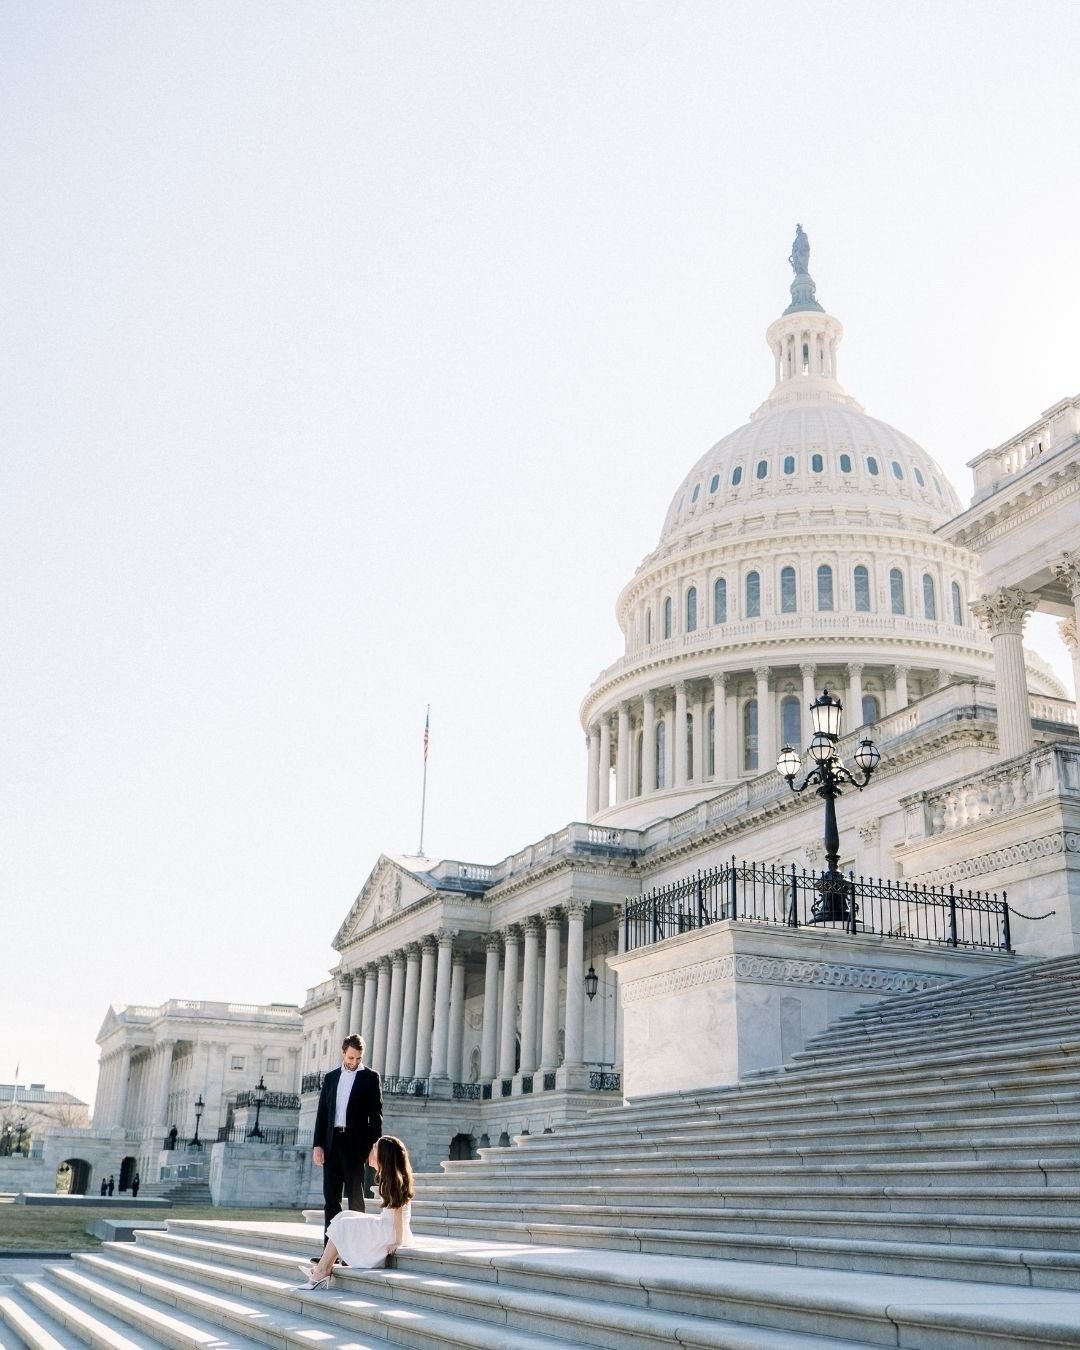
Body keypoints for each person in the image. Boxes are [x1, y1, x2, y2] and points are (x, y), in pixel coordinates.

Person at [297, 1135, 414, 1288]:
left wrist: (398, 1241)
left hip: (390, 1232)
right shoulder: (391, 1175)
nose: (372, 1150)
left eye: (375, 1148)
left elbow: (398, 1212)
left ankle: (321, 1271)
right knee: (343, 1216)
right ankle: (324, 1268)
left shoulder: (394, 1180)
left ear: (384, 1155)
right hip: (387, 1226)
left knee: (345, 1224)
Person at [311, 1033, 383, 1240]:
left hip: (355, 1146)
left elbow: (375, 1117)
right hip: (332, 1143)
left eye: (358, 1058)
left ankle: (355, 1249)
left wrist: (374, 1148)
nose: (354, 1062)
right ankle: (329, 1252)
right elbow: (322, 1113)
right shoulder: (331, 1077)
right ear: (344, 1053)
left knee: (355, 1199)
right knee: (331, 1200)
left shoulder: (370, 1077)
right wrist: (318, 1145)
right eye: (351, 1058)